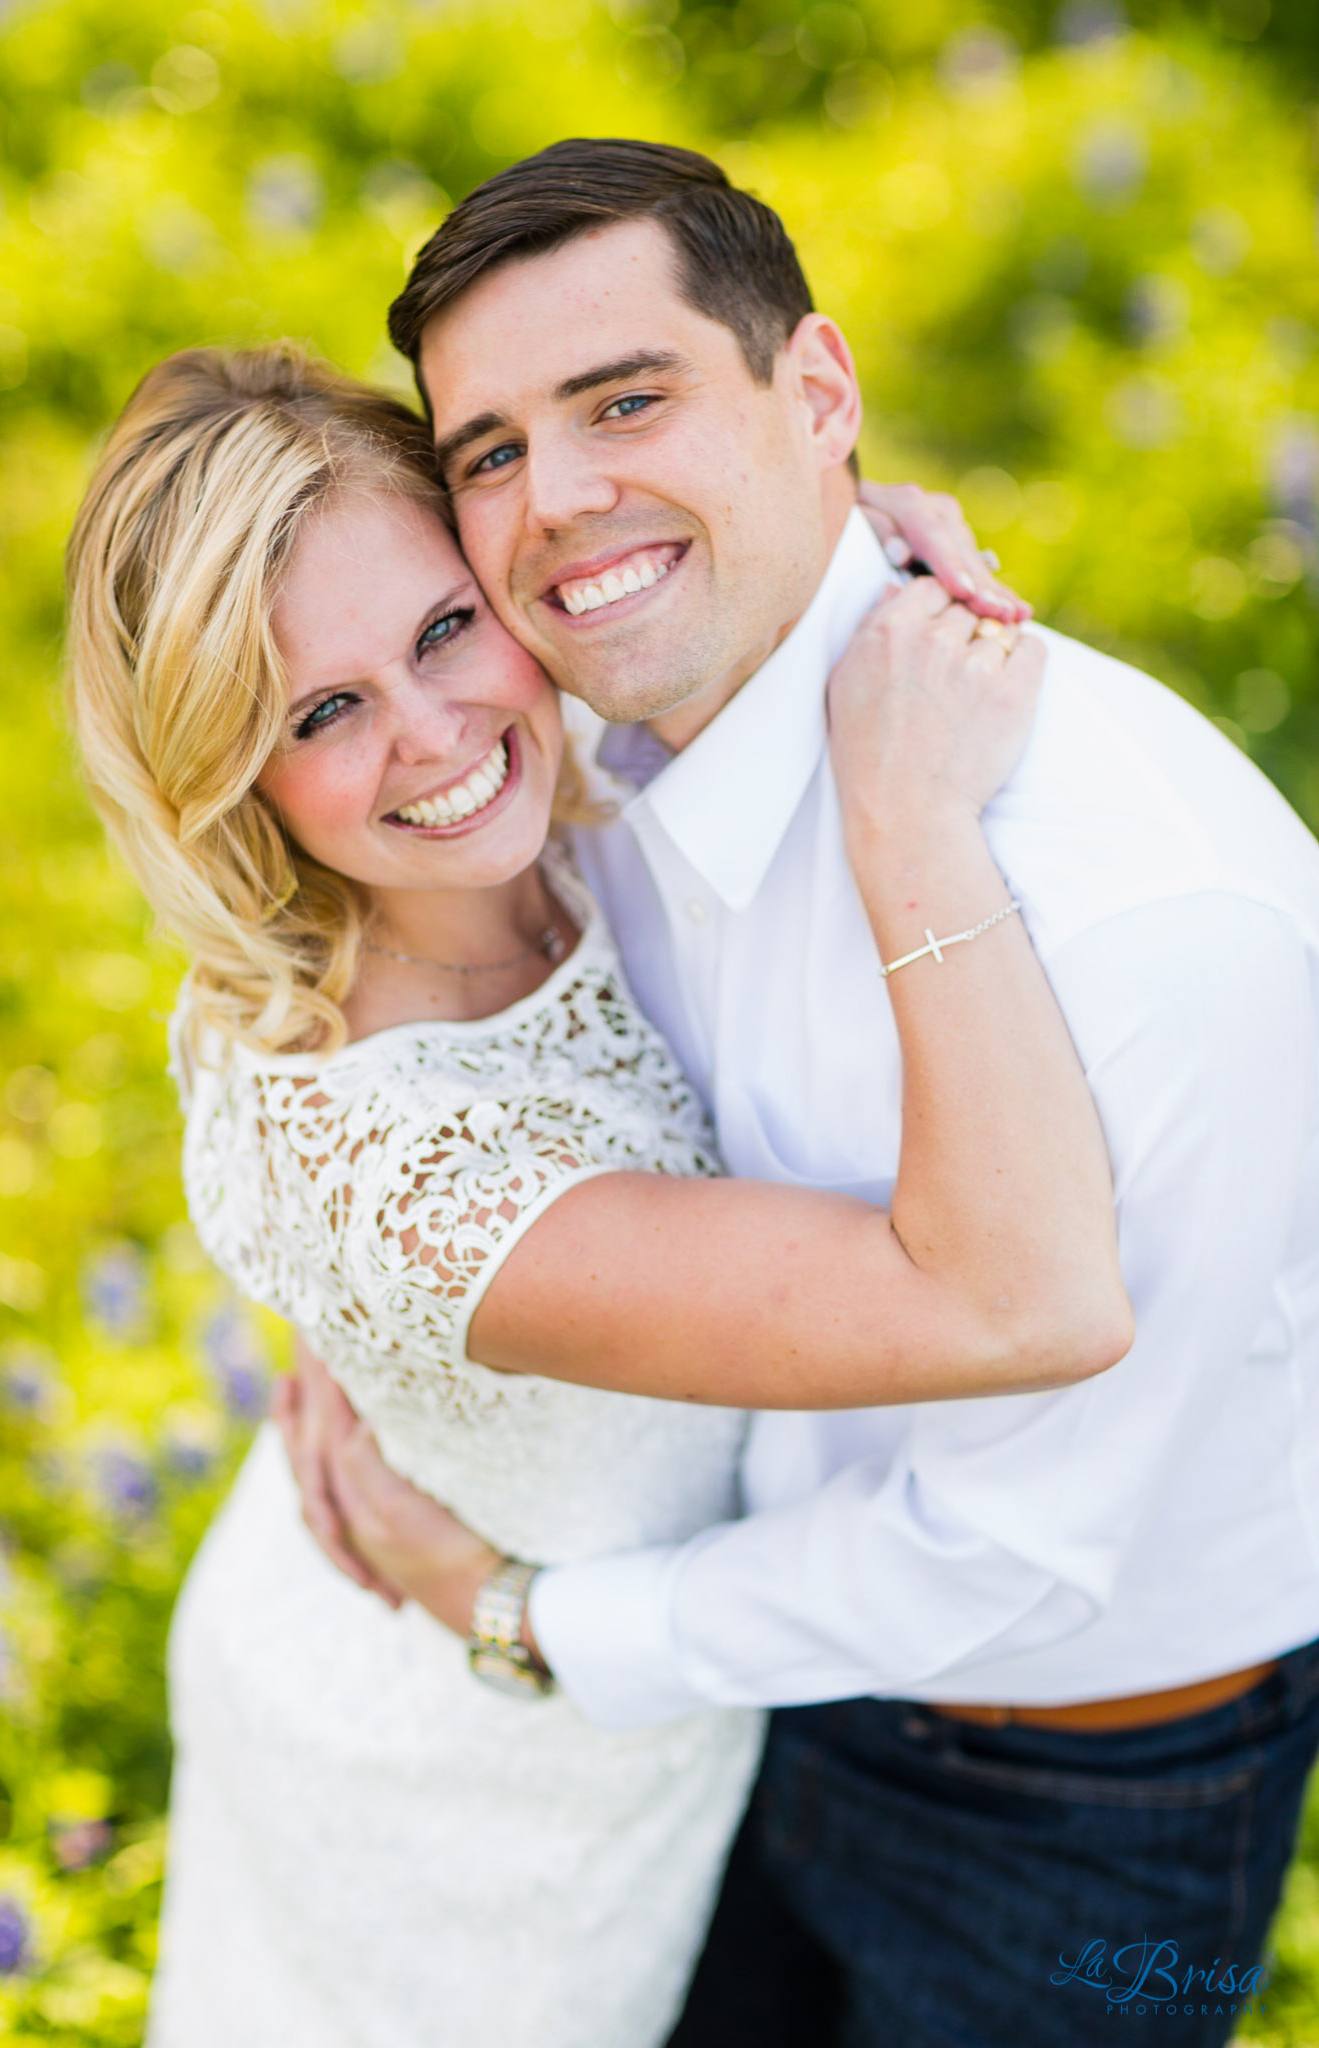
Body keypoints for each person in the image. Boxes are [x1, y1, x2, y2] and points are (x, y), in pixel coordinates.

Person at [293, 139, 1319, 2048]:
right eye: (491, 451)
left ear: (819, 391)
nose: (560, 501)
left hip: (1088, 1810)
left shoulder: (1150, 918)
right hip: (749, 1697)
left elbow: (1017, 1547)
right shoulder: (564, 740)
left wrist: (528, 1622)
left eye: (627, 401)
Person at [62, 342, 1128, 2048]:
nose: (436, 738)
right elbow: (1032, 1303)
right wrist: (913, 827)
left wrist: (831, 549)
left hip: (580, 1660)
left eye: (437, 630)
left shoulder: (567, 790)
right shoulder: (413, 1168)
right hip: (465, 1811)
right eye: (318, 715)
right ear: (227, 783)